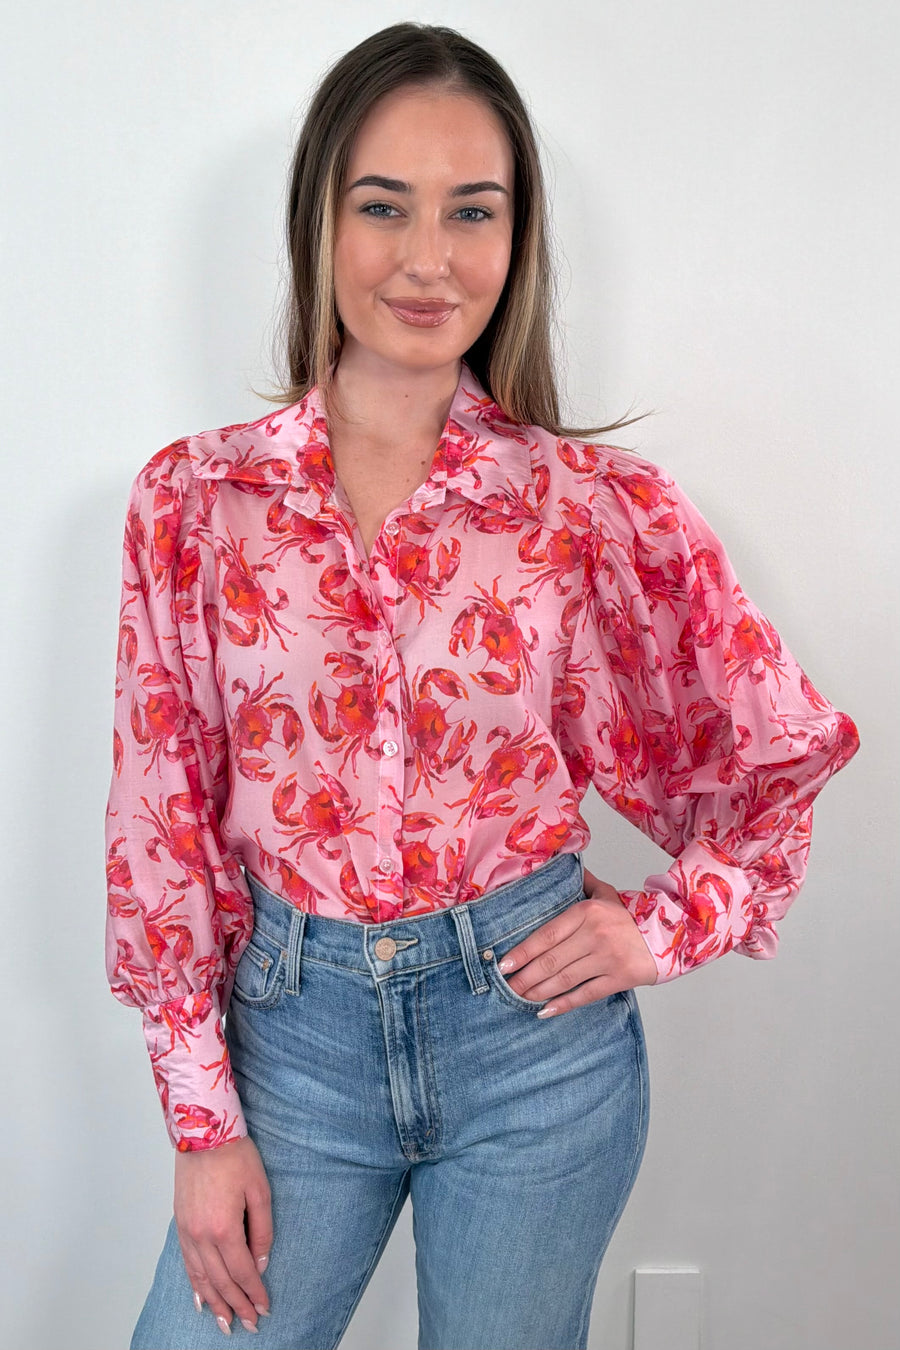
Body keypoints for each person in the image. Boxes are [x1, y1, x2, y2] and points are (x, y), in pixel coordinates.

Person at [105, 21, 859, 1350]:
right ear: (318, 218)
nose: (427, 258)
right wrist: (200, 1122)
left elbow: (771, 759)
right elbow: (159, 832)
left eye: (473, 213)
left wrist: (667, 925)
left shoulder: (587, 509)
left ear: (517, 243)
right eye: (384, 206)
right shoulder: (194, 503)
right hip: (295, 1044)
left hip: (534, 1050)